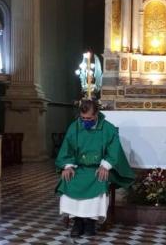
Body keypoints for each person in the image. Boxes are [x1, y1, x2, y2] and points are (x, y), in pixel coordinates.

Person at [55, 100, 134, 238]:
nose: (85, 121)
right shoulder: (75, 127)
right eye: (83, 118)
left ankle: (91, 221)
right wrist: (67, 166)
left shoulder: (108, 128)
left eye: (89, 118)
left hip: (99, 168)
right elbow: (66, 149)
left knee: (100, 179)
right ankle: (77, 221)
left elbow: (114, 151)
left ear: (96, 114)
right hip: (79, 168)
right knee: (68, 179)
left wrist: (106, 165)